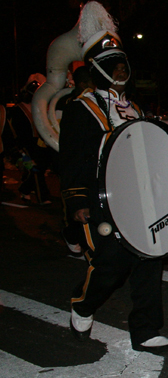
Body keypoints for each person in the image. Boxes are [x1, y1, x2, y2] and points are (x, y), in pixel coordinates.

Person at [60, 2, 168, 352]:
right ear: (98, 68)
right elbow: (72, 158)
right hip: (101, 201)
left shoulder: (135, 110)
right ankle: (83, 302)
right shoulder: (81, 108)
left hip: (140, 199)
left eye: (124, 64)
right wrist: (77, 201)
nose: (121, 69)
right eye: (114, 64)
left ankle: (145, 329)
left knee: (151, 257)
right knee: (112, 264)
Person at [56, 65, 94, 257]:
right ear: (82, 83)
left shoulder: (94, 102)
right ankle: (71, 235)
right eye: (90, 82)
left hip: (89, 161)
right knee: (74, 207)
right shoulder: (68, 103)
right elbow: (61, 134)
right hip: (71, 157)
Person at [6, 73, 53, 204]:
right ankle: (43, 196)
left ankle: (25, 189)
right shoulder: (18, 109)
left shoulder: (41, 108)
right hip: (26, 144)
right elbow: (17, 131)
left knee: (39, 168)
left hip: (41, 142)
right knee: (35, 168)